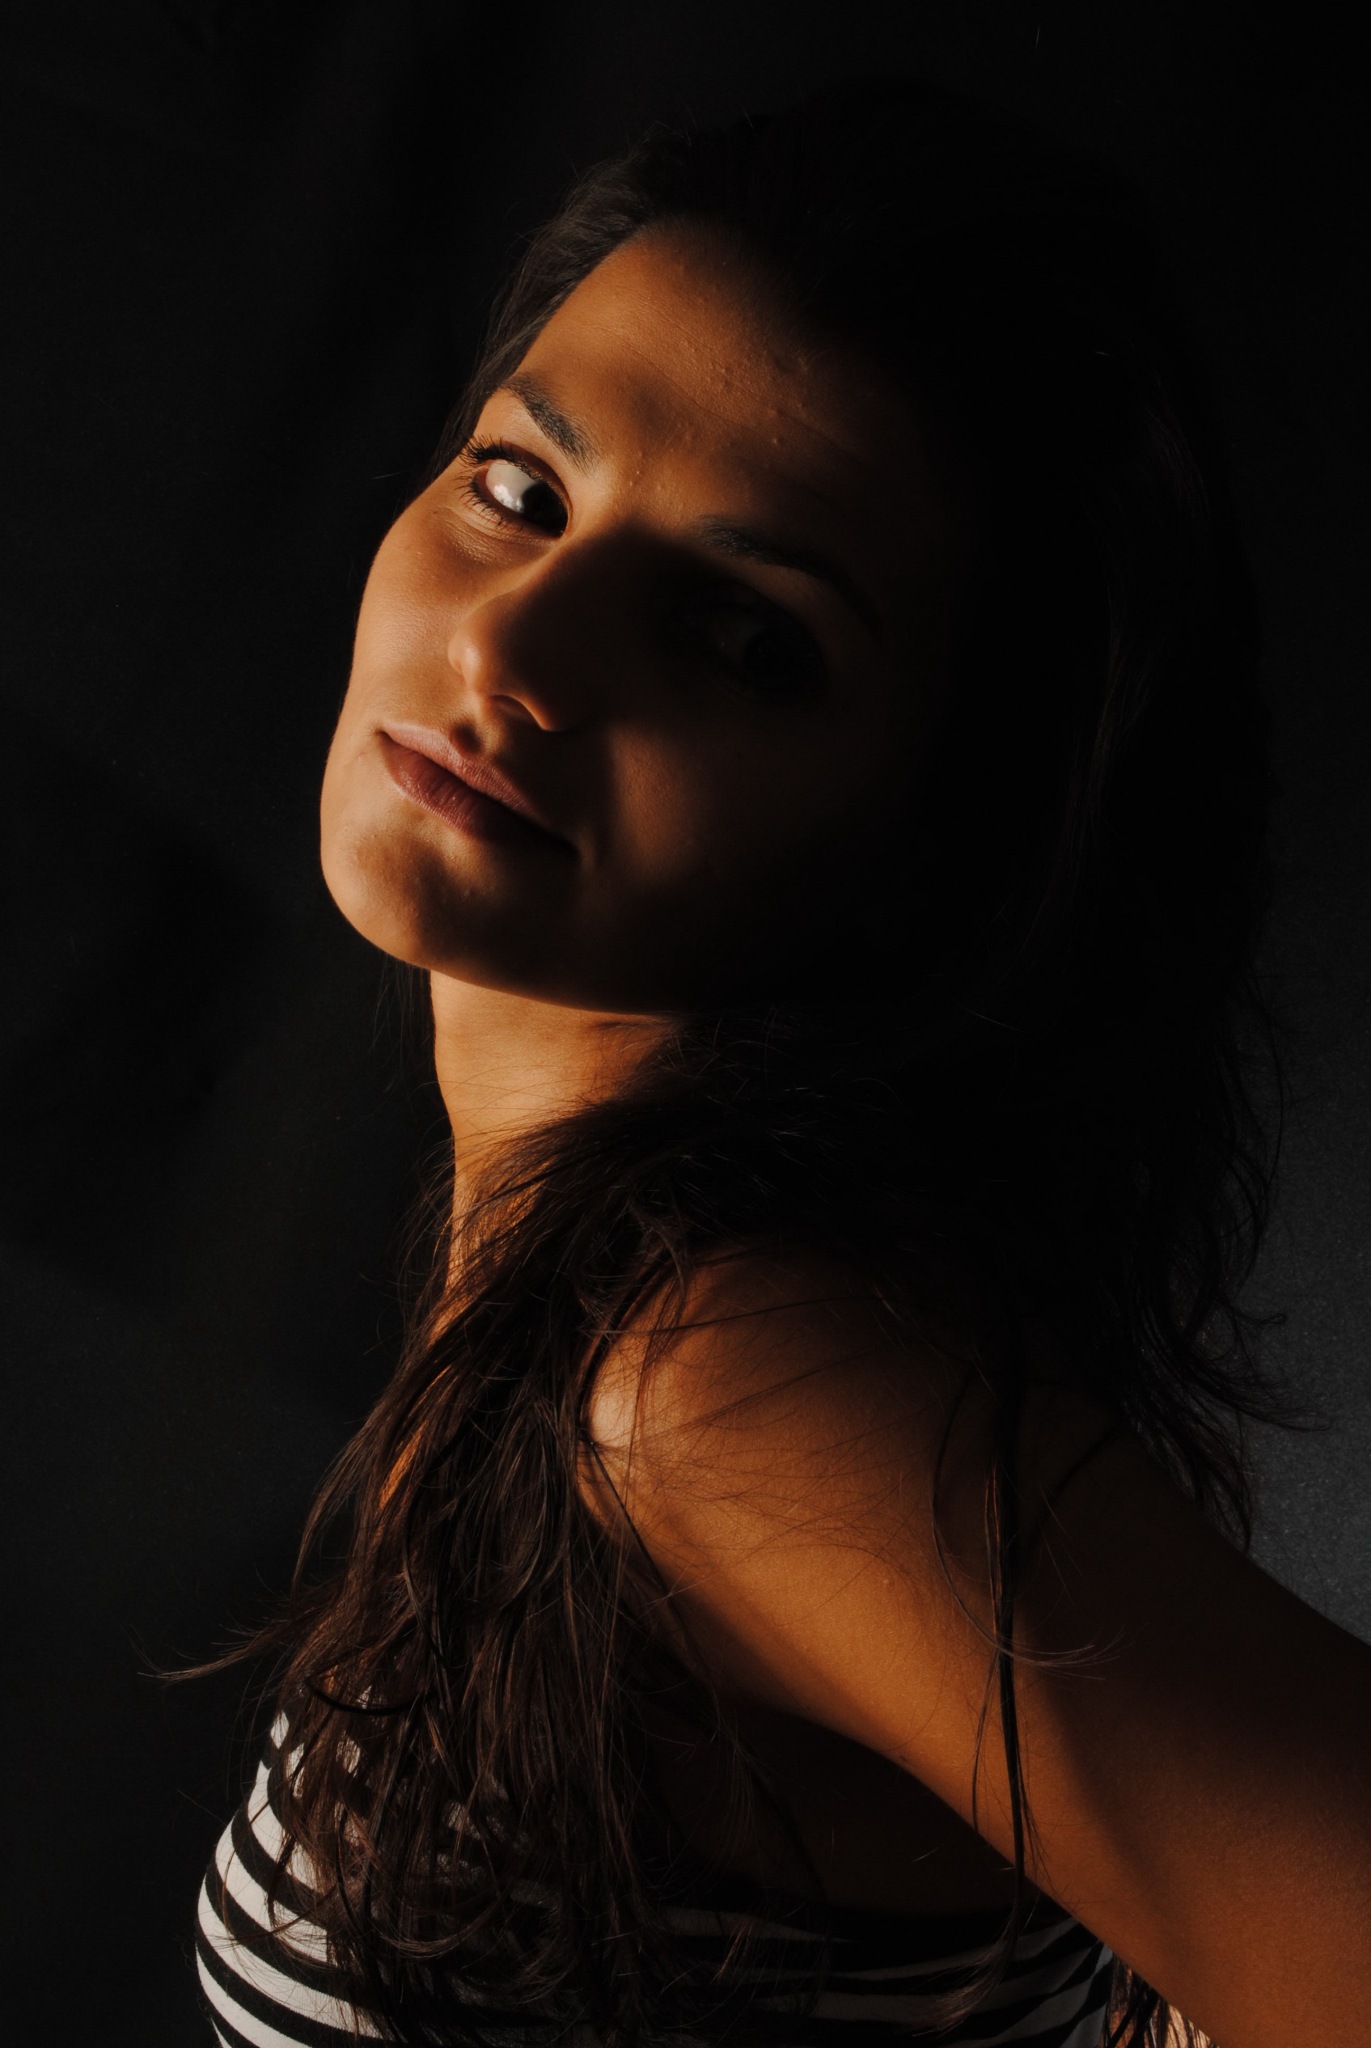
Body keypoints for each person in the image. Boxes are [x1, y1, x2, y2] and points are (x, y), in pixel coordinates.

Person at [189, 75, 1371, 2048]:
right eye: (518, 487)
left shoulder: (716, 1384)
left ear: (939, 837)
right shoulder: (587, 1276)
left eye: (743, 639)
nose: (515, 650)